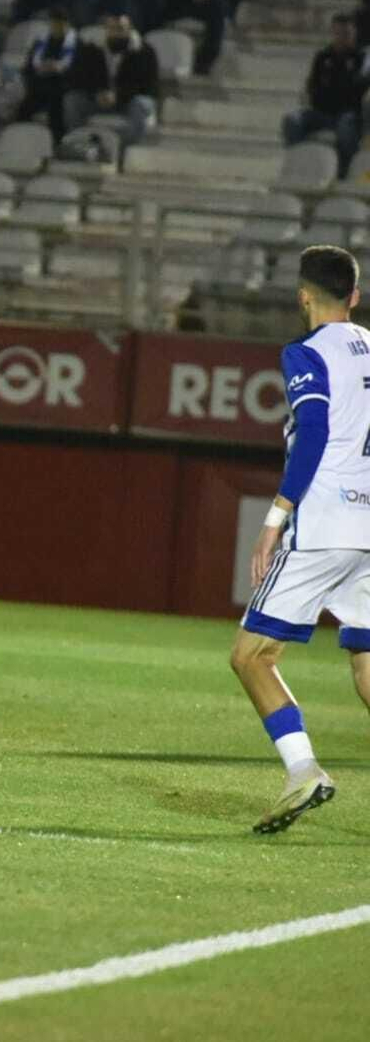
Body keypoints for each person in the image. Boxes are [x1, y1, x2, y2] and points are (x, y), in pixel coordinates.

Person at [229, 244, 370, 834]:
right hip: (369, 529)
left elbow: (311, 432)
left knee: (250, 656)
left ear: (303, 296)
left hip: (325, 526)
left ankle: (303, 769)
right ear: (356, 297)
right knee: (367, 661)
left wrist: (274, 519)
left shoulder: (305, 352)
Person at [283, 13, 370, 181]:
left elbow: (357, 92)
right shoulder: (322, 58)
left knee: (345, 127)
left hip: (348, 114)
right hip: (322, 113)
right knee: (292, 120)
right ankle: (300, 162)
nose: (342, 39)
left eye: (347, 34)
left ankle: (343, 172)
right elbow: (313, 88)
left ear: (354, 34)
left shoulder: (362, 59)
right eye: (338, 34)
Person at [65, 12, 160, 147]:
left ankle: (123, 150)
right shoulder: (91, 49)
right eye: (112, 29)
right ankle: (78, 145)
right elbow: (77, 79)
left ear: (130, 30)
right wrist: (97, 93)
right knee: (72, 100)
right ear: (106, 30)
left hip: (128, 102)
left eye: (121, 29)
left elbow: (149, 87)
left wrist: (118, 95)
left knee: (142, 104)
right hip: (99, 100)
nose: (116, 33)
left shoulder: (145, 52)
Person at [18, 6, 80, 146]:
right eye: (54, 24)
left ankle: (57, 143)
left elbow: (79, 72)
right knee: (24, 108)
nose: (57, 27)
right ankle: (21, 142)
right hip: (39, 85)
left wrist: (58, 68)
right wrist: (40, 69)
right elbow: (28, 68)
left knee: (56, 103)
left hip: (63, 87)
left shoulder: (77, 44)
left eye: (60, 24)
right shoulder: (41, 42)